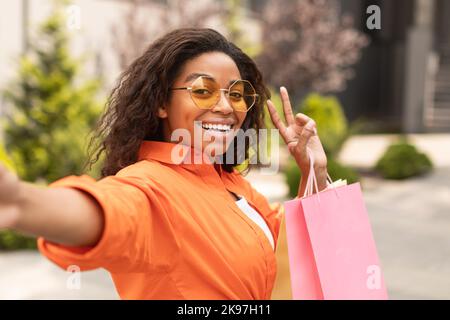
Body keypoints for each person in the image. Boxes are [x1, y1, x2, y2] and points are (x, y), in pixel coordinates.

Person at [0, 28, 328, 299]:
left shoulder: (229, 184)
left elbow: (290, 252)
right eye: (203, 90)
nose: (227, 107)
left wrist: (315, 171)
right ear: (160, 103)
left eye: (237, 93)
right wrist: (21, 203)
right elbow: (108, 212)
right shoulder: (150, 187)